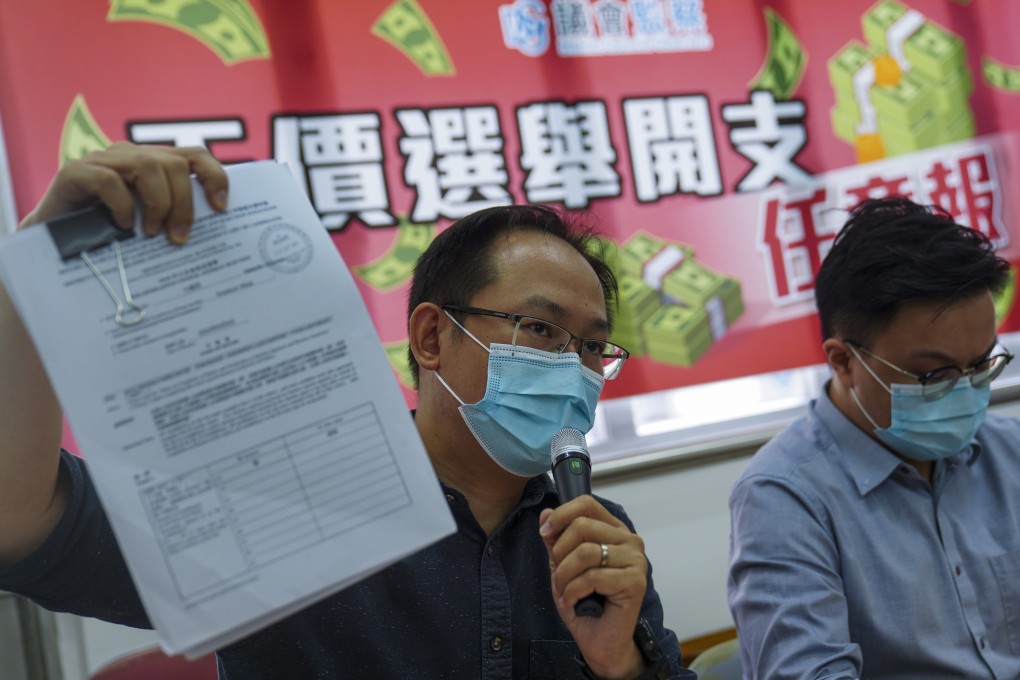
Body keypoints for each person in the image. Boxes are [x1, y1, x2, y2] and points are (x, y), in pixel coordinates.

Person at [0, 142, 695, 679]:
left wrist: (623, 668)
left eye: (593, 347)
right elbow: (19, 519)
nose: (573, 369)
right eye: (540, 331)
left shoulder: (592, 536)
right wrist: (28, 277)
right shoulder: (279, 499)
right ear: (431, 337)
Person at [727, 196, 1020, 679]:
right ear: (844, 361)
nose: (966, 391)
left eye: (982, 365)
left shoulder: (1008, 452)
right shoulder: (783, 497)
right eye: (935, 374)